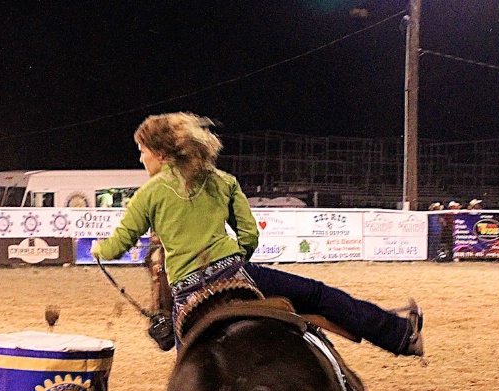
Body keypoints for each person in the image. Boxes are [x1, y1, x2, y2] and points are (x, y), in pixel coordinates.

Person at [89, 112, 423, 357]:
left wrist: (98, 250)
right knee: (319, 295)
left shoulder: (148, 193)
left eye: (142, 150)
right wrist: (233, 261)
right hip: (235, 275)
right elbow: (249, 236)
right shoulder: (223, 181)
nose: (140, 157)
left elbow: (120, 244)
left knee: (187, 364)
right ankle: (399, 335)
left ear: (161, 154)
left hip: (187, 294)